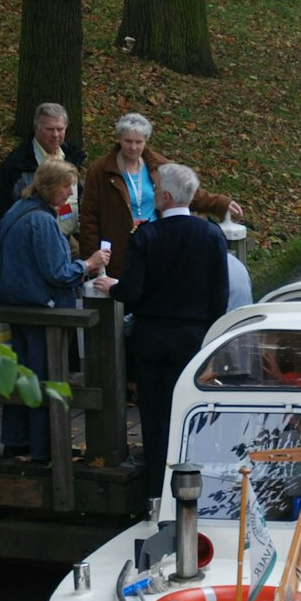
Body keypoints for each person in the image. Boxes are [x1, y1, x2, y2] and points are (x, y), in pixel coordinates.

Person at [92, 164, 229, 496]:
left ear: (165, 196)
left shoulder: (146, 236)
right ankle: (193, 489)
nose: (153, 193)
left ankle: (156, 491)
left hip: (152, 338)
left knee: (154, 418)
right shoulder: (211, 235)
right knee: (192, 413)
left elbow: (132, 292)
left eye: (155, 188)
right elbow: (219, 295)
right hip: (193, 338)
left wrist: (112, 287)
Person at [0, 159, 109, 461]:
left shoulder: (16, 211)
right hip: (43, 311)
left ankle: (17, 440)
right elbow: (58, 273)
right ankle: (46, 447)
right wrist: (89, 264)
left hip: (17, 307)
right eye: (66, 186)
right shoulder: (42, 221)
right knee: (46, 378)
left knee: (21, 377)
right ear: (49, 186)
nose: (70, 192)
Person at [80, 113, 239, 278]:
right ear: (119, 139)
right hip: (120, 247)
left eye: (138, 142)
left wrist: (219, 203)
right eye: (128, 141)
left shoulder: (158, 165)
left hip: (157, 242)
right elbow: (89, 217)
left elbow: (184, 191)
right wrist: (91, 258)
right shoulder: (100, 170)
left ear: (146, 141)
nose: (133, 147)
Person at [0, 102, 86, 234]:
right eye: (50, 129)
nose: (55, 135)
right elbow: (1, 214)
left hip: (70, 238)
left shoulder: (72, 157)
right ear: (36, 128)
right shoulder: (16, 165)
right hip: (34, 242)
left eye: (60, 129)